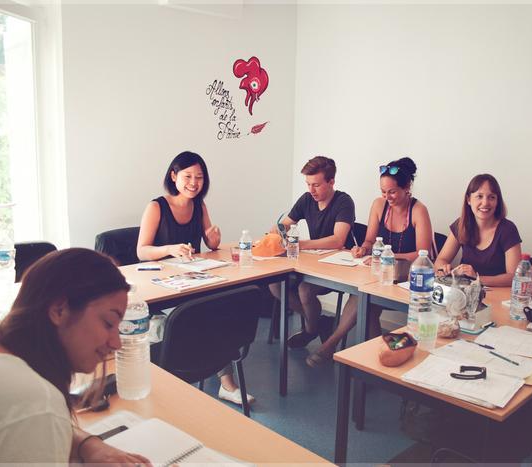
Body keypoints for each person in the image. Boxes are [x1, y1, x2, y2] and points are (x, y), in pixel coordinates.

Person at [0, 248, 152, 465]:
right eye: (108, 323)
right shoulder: (34, 401)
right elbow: (34, 413)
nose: (116, 344)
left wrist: (87, 444)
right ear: (59, 310)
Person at [137, 151, 252, 405]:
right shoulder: (156, 207)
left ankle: (226, 383)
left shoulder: (199, 206)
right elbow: (141, 251)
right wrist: (169, 249)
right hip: (162, 286)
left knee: (218, 308)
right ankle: (192, 376)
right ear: (174, 176)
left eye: (199, 177)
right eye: (187, 176)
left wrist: (213, 239)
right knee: (200, 315)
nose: (194, 182)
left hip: (192, 279)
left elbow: (211, 244)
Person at [306, 157, 434, 367]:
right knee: (363, 295)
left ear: (407, 188)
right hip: (380, 273)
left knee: (367, 301)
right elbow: (369, 240)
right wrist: (363, 249)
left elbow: (423, 255)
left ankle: (330, 345)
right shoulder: (378, 205)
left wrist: (389, 256)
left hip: (408, 278)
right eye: (383, 192)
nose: (387, 197)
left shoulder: (419, 211)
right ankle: (376, 357)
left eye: (392, 192)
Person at [269, 156, 355, 349]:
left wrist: (301, 244)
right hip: (313, 264)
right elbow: (285, 224)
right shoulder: (307, 199)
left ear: (331, 182)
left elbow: (338, 240)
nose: (311, 190)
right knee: (275, 285)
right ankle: (318, 323)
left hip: (339, 267)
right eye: (308, 184)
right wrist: (275, 233)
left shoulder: (344, 201)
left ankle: (310, 329)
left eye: (316, 185)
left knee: (305, 290)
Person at [434, 174, 522, 287]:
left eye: (491, 197)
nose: (485, 203)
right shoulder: (461, 224)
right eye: (479, 196)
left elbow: (514, 277)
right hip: (465, 292)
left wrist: (476, 277)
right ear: (468, 200)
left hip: (497, 293)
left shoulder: (508, 229)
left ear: (497, 201)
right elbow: (440, 260)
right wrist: (444, 268)